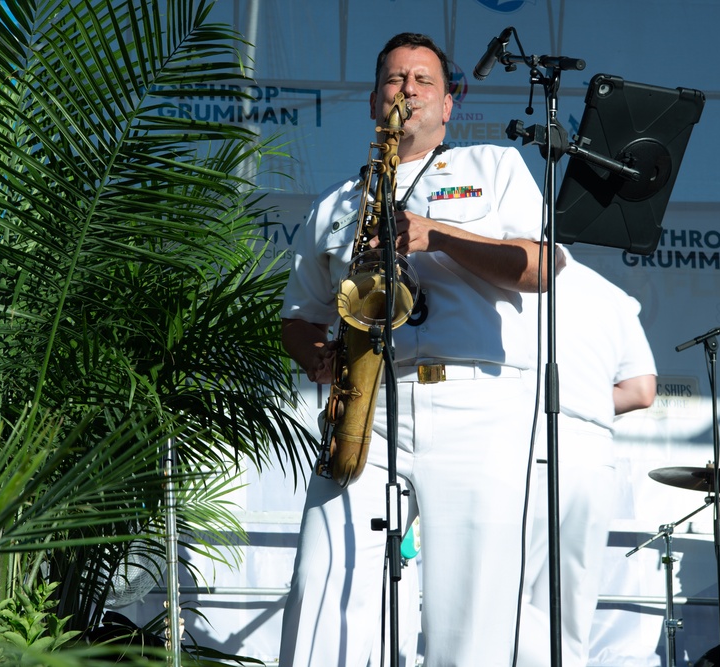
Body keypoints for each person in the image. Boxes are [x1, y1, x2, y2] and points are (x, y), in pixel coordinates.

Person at [278, 32, 563, 667]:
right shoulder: (335, 206)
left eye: (423, 80)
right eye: (394, 79)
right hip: (367, 404)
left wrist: (436, 235)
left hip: (476, 405)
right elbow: (297, 316)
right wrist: (316, 356)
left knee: (475, 606)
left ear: (447, 106)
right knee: (327, 582)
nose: (407, 89)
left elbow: (542, 267)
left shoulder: (493, 168)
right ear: (374, 103)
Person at [517, 247, 657, 667]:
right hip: (592, 457)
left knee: (504, 597)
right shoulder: (610, 294)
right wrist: (585, 404)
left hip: (526, 451)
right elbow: (641, 390)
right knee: (570, 610)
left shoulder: (501, 287)